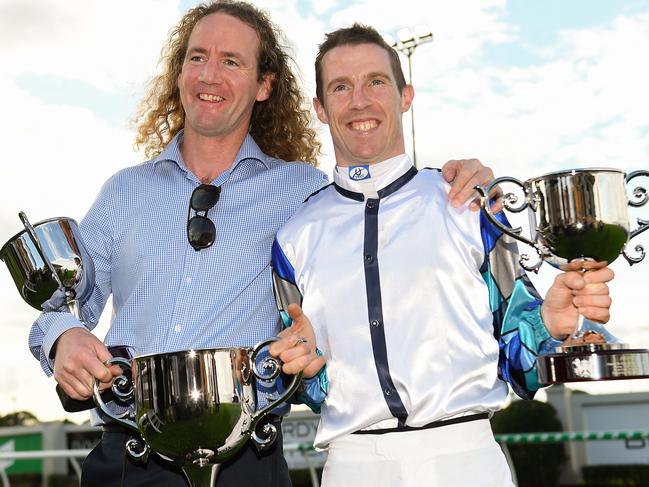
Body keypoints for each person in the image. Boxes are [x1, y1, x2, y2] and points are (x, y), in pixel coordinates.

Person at [27, 3, 493, 487]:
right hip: (129, 458)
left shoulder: (305, 195)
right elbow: (63, 301)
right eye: (197, 57)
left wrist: (452, 183)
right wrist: (63, 337)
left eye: (232, 61)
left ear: (264, 85)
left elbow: (388, 234)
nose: (210, 74)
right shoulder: (123, 192)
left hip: (248, 460)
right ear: (180, 71)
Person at [271, 23, 615, 487]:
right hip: (351, 466)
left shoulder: (470, 204)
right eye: (340, 87)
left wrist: (551, 324)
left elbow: (518, 357)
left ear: (405, 95)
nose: (359, 101)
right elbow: (309, 385)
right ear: (320, 108)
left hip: (466, 460)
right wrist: (306, 371)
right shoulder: (293, 237)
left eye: (376, 81)